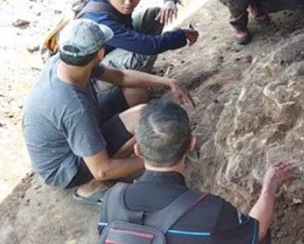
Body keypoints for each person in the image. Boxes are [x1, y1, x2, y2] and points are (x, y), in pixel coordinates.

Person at [22, 19, 194, 204]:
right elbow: (102, 169)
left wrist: (168, 82)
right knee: (142, 116)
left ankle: (125, 149)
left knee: (136, 91)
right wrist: (164, 161)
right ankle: (90, 187)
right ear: (100, 52)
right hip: (64, 168)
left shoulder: (65, 61)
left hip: (70, 135)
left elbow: (121, 76)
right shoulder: (73, 108)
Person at [99, 100, 295, 243]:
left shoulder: (112, 198)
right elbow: (257, 230)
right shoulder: (209, 210)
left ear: (138, 150)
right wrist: (269, 186)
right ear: (191, 144)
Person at [79, 0, 199, 74]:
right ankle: (135, 83)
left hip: (113, 47)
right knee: (142, 53)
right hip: (93, 74)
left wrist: (170, 0)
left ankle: (138, 75)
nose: (128, 2)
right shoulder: (99, 19)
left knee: (154, 14)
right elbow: (149, 46)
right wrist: (181, 35)